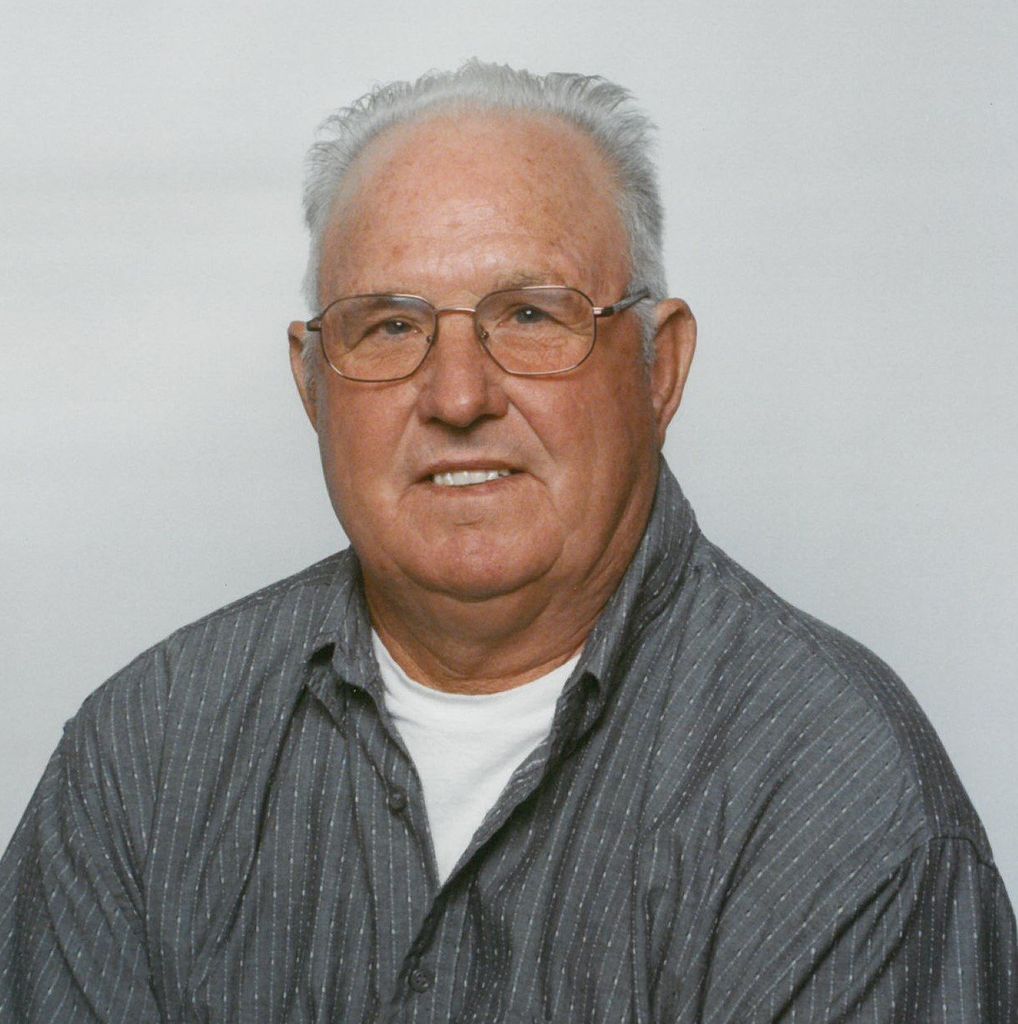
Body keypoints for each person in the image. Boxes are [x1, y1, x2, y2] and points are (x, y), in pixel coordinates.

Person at [1, 61, 1015, 1024]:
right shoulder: (144, 757)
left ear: (659, 369)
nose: (456, 397)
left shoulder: (840, 794)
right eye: (389, 327)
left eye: (531, 314)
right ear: (312, 383)